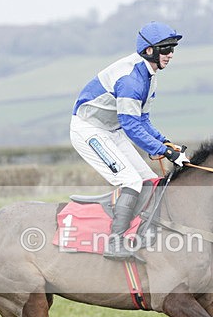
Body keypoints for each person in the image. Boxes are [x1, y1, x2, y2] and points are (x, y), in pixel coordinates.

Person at [70, 21, 190, 261]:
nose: (171, 55)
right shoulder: (131, 80)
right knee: (132, 181)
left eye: (173, 49)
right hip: (89, 131)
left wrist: (165, 143)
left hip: (112, 130)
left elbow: (142, 120)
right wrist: (165, 152)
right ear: (149, 50)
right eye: (166, 49)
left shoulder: (149, 76)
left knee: (149, 182)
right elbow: (131, 126)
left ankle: (142, 233)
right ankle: (114, 242)